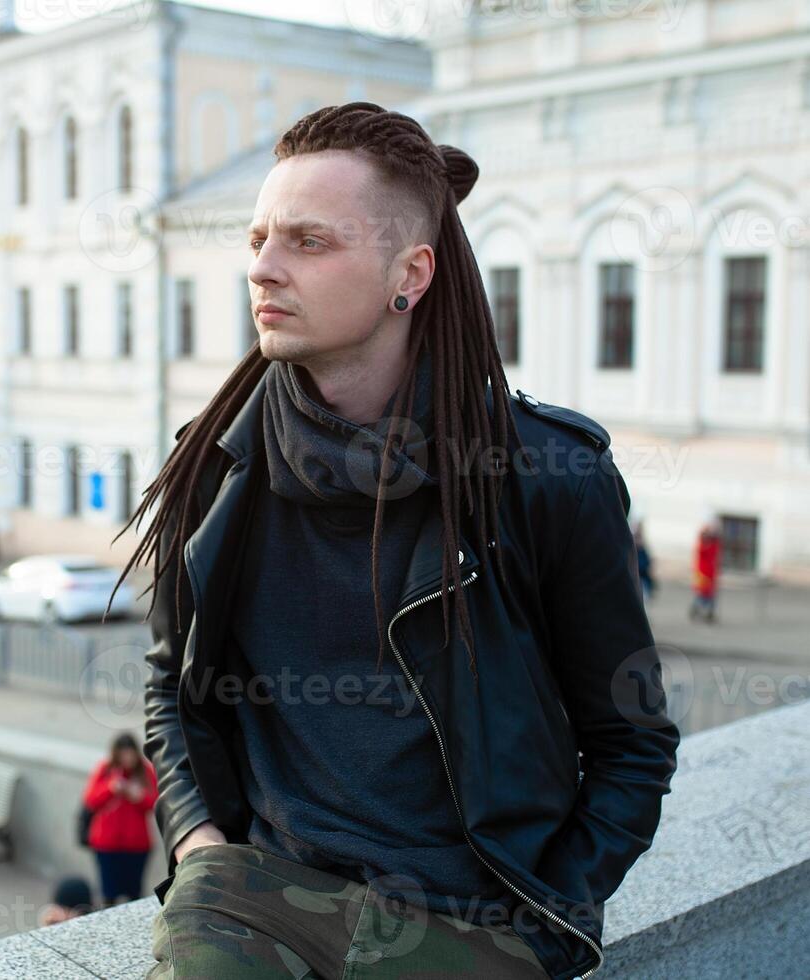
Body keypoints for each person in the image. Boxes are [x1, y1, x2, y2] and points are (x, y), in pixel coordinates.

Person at [109, 102, 680, 980]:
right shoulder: (219, 462)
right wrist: (196, 840)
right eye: (258, 238)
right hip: (256, 894)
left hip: (469, 919)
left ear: (407, 275)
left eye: (307, 241)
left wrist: (546, 920)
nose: (260, 268)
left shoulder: (540, 478)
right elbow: (169, 681)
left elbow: (631, 737)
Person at [80, 732, 158, 908]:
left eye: (130, 753)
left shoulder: (145, 771)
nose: (127, 758)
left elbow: (156, 803)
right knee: (109, 894)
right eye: (123, 754)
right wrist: (110, 788)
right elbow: (90, 800)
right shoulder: (105, 769)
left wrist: (139, 797)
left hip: (136, 845)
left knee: (134, 893)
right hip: (107, 844)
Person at [690, 520, 722, 624]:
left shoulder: (713, 545)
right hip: (702, 573)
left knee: (711, 595)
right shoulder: (702, 545)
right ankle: (696, 609)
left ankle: (709, 614)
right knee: (701, 594)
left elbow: (716, 544)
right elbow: (702, 549)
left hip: (711, 573)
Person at [633, 519, 656, 603]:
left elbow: (647, 563)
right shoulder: (633, 546)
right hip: (637, 576)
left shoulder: (643, 548)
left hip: (642, 577)